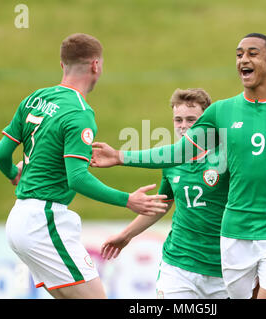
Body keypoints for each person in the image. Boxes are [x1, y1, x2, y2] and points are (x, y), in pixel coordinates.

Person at [91, 33, 266, 299]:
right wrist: (121, 156)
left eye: (252, 53)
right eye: (239, 54)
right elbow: (178, 153)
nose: (244, 59)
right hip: (231, 238)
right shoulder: (222, 112)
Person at [0, 33, 167, 299]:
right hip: (45, 221)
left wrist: (13, 173)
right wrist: (128, 200)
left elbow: (0, 154)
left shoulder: (34, 98)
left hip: (18, 220)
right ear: (96, 65)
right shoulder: (79, 113)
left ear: (63, 65)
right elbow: (78, 178)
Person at [99, 88, 230, 299]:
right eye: (178, 120)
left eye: (191, 119)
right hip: (179, 265)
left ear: (206, 120)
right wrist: (126, 235)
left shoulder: (226, 156)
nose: (184, 126)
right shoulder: (170, 161)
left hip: (223, 269)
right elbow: (162, 205)